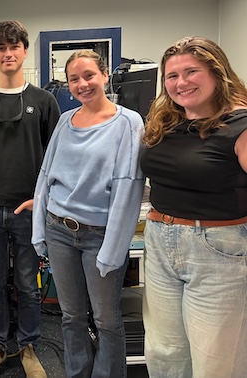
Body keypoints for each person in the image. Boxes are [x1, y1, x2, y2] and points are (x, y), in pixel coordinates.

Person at [31, 50, 145, 378]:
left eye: (89, 75)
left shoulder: (128, 123)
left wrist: (113, 250)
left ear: (105, 75)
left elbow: (129, 189)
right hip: (59, 230)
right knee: (71, 317)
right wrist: (39, 229)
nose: (82, 84)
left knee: (106, 320)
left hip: (99, 235)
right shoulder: (66, 120)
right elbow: (46, 176)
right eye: (74, 79)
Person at [140, 36, 247, 378]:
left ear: (217, 73)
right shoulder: (166, 121)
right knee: (164, 353)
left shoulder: (240, 125)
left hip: (217, 250)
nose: (181, 83)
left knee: (214, 361)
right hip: (159, 241)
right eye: (172, 76)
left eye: (191, 72)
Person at [0, 20, 60, 378]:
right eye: (0, 48)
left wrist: (45, 203)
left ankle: (28, 346)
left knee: (27, 284)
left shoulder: (44, 102)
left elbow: (56, 159)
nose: (7, 53)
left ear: (24, 51)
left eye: (14, 46)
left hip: (30, 210)